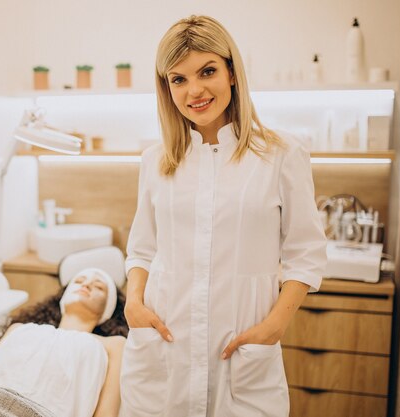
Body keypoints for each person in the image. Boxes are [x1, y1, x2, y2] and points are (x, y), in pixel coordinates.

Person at [120, 15, 327, 417]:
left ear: (232, 72)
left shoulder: (282, 155)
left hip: (243, 355)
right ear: (166, 88)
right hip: (163, 352)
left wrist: (274, 327)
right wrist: (134, 304)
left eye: (207, 71)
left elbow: (307, 255)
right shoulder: (155, 161)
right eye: (178, 79)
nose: (194, 90)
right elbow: (142, 249)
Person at [0, 268, 127, 417]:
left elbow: (106, 413)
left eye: (98, 286)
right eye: (80, 280)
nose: (87, 284)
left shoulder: (112, 345)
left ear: (109, 309)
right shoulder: (20, 329)